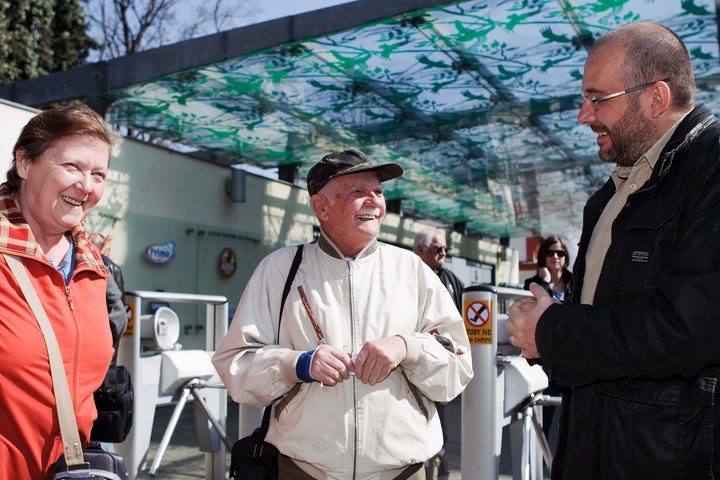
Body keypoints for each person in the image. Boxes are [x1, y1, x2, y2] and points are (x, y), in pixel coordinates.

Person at [506, 22, 720, 479]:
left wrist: (551, 331)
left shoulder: (712, 169)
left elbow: (687, 328)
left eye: (597, 98)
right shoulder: (608, 196)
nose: (585, 116)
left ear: (656, 98)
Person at [213, 149, 473, 480]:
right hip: (302, 470)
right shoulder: (280, 270)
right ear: (320, 207)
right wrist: (298, 364)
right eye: (358, 192)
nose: (375, 202)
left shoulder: (412, 270)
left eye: (378, 192)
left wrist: (407, 347)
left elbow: (459, 363)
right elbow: (235, 364)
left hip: (403, 472)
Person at [0, 105, 120, 479]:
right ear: (24, 162)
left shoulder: (96, 270)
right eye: (72, 166)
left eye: (98, 174)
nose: (86, 186)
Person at [413, 228, 464, 480]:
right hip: (410, 368)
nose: (444, 253)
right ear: (420, 250)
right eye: (438, 249)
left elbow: (461, 323)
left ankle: (441, 471)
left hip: (439, 368)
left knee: (441, 423)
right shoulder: (405, 275)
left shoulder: (451, 280)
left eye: (445, 249)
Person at [523, 236, 573, 303]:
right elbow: (537, 307)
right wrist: (545, 282)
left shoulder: (574, 282)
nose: (555, 257)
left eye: (560, 253)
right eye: (550, 253)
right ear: (542, 256)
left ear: (565, 257)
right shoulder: (531, 284)